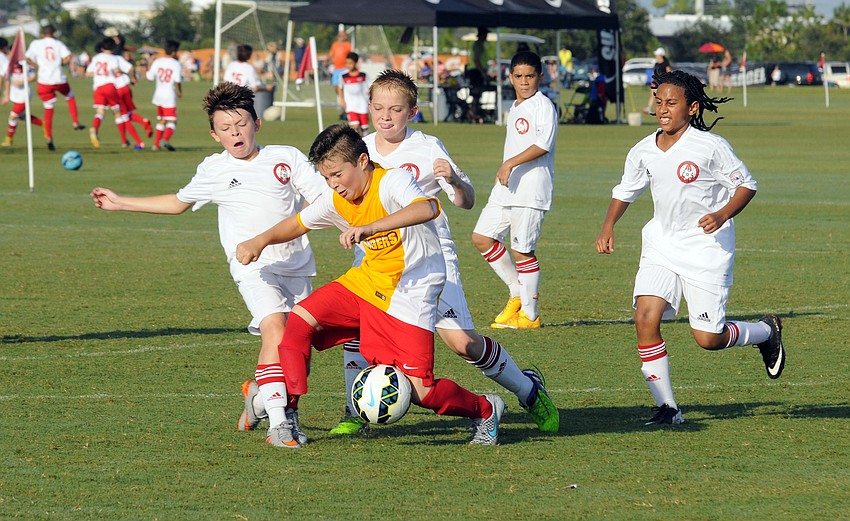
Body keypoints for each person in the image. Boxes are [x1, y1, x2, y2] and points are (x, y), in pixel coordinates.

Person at [308, 70, 557, 436]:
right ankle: (355, 410)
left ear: (412, 111)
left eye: (395, 109)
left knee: (462, 343)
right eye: (378, 108)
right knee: (357, 331)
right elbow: (330, 196)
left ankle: (528, 390)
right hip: (376, 260)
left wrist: (454, 180)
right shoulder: (358, 149)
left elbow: (467, 201)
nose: (385, 116)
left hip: (428, 260)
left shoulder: (427, 147)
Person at [235, 124, 507, 448]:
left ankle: (486, 408)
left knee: (422, 391)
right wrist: (261, 240)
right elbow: (298, 222)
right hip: (366, 283)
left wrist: (370, 228)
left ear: (362, 161)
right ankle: (287, 417)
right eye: (326, 178)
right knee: (298, 321)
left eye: (337, 174)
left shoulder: (392, 181)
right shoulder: (337, 200)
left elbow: (428, 208)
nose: (333, 184)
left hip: (411, 290)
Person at [90, 82, 328, 441]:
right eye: (226, 128)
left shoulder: (286, 157)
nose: (236, 133)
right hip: (252, 267)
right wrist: (120, 202)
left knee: (297, 351)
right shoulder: (214, 170)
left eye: (241, 124)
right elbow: (178, 202)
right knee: (275, 330)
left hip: (296, 264)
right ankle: (281, 425)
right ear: (215, 135)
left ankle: (260, 397)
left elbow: (322, 200)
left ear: (257, 124)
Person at [594, 70, 786, 425]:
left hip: (706, 249)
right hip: (661, 245)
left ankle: (765, 332)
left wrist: (722, 213)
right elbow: (625, 190)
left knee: (708, 339)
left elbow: (747, 185)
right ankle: (668, 408)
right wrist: (608, 225)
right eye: (659, 102)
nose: (663, 109)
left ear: (693, 107)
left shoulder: (710, 146)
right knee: (644, 318)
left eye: (672, 103)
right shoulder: (642, 151)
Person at [471, 51, 558, 329]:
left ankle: (530, 316)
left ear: (540, 77)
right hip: (507, 187)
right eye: (518, 76)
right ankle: (516, 292)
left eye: (530, 76)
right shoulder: (517, 106)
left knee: (523, 251)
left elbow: (543, 144)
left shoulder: (543, 105)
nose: (524, 81)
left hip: (531, 189)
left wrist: (510, 162)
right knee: (482, 237)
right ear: (510, 77)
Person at [24, 24, 85, 150]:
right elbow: (68, 57)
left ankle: (49, 135)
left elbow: (27, 58)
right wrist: (58, 64)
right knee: (70, 96)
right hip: (59, 79)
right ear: (54, 33)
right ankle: (75, 121)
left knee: (48, 108)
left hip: (44, 81)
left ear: (42, 34)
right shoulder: (58, 44)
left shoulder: (36, 43)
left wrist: (37, 65)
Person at [85, 38, 131, 149]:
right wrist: (123, 72)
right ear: (113, 48)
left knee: (100, 112)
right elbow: (116, 71)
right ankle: (124, 140)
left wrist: (97, 74)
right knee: (117, 112)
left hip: (98, 88)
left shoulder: (96, 58)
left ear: (102, 48)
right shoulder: (113, 58)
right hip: (109, 86)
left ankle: (95, 128)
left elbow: (88, 73)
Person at [146, 39, 183, 151]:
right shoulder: (175, 64)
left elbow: (149, 77)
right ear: (173, 52)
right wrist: (180, 91)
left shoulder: (158, 62)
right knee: (172, 120)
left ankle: (156, 145)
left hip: (158, 95)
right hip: (169, 95)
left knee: (162, 120)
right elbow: (177, 80)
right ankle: (164, 140)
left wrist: (150, 63)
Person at [3, 62, 44, 147]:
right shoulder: (8, 63)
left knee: (13, 116)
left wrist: (23, 82)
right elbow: (7, 78)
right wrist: (7, 92)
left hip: (24, 95)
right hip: (15, 95)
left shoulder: (25, 64)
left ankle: (9, 139)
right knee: (22, 116)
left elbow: (33, 77)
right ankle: (44, 124)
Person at [337, 52, 369, 136]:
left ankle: (367, 145)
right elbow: (339, 88)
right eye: (347, 63)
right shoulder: (344, 76)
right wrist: (341, 100)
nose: (348, 65)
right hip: (350, 105)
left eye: (350, 63)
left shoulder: (363, 75)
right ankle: (357, 146)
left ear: (355, 63)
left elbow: (370, 86)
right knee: (355, 126)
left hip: (362, 105)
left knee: (364, 128)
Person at [644, 47, 671, 115]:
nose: (656, 56)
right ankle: (649, 108)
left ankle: (664, 108)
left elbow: (669, 72)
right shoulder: (656, 64)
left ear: (660, 55)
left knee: (662, 96)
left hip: (662, 82)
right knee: (652, 95)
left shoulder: (665, 63)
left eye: (657, 54)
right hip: (655, 81)